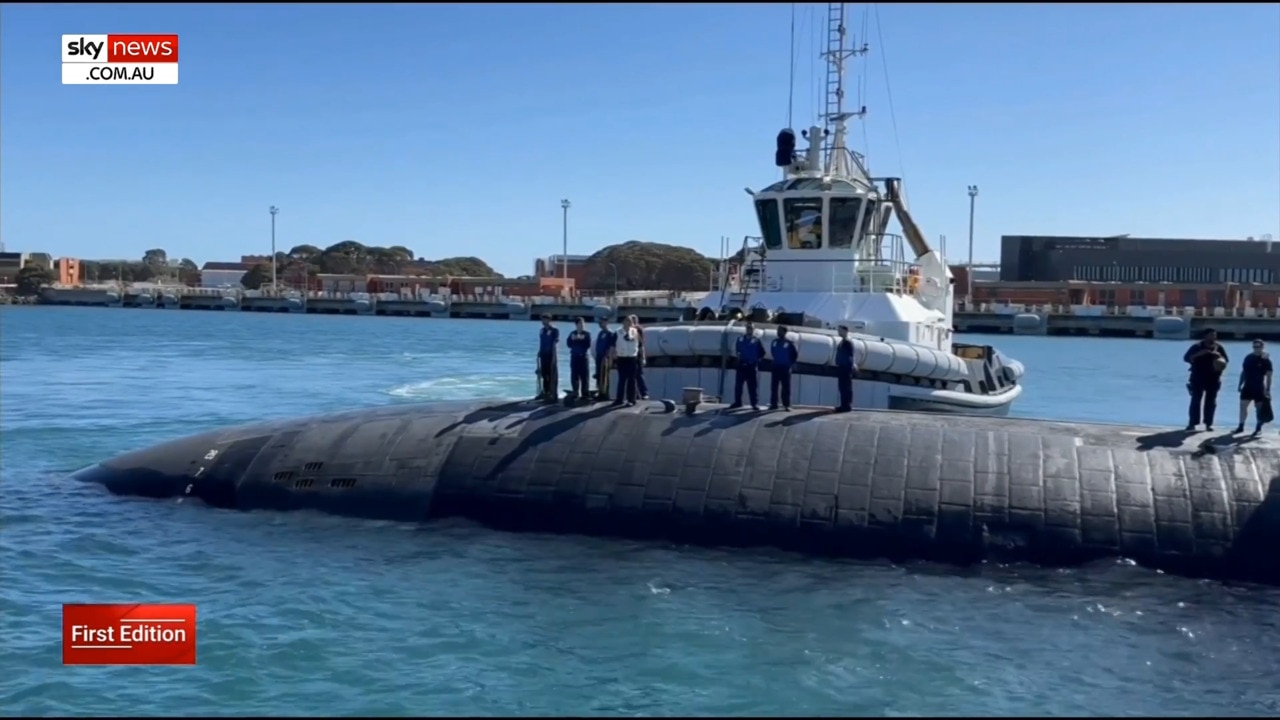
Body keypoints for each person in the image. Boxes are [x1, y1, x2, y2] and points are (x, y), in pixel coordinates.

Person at [1183, 328, 1228, 431]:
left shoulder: (1219, 347)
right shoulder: (1197, 347)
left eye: (1215, 335)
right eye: (1212, 335)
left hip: (1213, 379)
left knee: (1211, 402)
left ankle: (1208, 424)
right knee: (1195, 400)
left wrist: (1219, 357)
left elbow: (1226, 361)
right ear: (1206, 336)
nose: (1214, 337)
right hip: (1197, 378)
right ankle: (1192, 423)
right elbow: (1186, 358)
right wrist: (1200, 354)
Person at [1234, 339, 1273, 436]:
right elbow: (1244, 372)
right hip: (1247, 386)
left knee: (1259, 408)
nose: (1256, 348)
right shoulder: (1248, 358)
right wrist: (1240, 384)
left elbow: (1269, 375)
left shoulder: (1266, 360)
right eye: (1255, 346)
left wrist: (1268, 389)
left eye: (1258, 346)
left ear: (1262, 347)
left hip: (1259, 387)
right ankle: (1241, 426)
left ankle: (1258, 428)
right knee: (1243, 406)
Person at [729, 321, 765, 410]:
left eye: (751, 328)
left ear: (753, 330)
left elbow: (762, 352)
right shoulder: (740, 339)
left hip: (751, 366)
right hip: (741, 365)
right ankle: (738, 402)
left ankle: (754, 404)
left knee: (752, 386)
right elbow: (737, 349)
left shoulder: (756, 340)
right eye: (748, 328)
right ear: (746, 329)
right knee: (738, 385)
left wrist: (756, 361)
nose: (749, 330)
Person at [612, 316, 641, 406]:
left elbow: (639, 344)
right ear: (623, 322)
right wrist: (613, 357)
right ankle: (619, 399)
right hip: (622, 358)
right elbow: (613, 345)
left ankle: (631, 400)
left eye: (630, 321)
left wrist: (641, 357)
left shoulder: (635, 332)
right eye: (627, 321)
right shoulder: (617, 332)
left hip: (632, 358)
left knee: (631, 380)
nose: (628, 322)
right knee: (622, 379)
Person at [769, 325, 799, 411]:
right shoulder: (774, 342)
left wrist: (790, 363)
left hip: (785, 368)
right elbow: (773, 351)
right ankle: (773, 404)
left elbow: (795, 354)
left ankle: (786, 405)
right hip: (776, 367)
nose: (778, 332)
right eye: (777, 330)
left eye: (779, 330)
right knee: (774, 387)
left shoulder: (789, 343)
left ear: (784, 332)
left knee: (786, 387)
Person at [566, 317, 592, 402]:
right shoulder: (572, 333)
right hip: (574, 357)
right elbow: (569, 344)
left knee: (585, 376)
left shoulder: (587, 334)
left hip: (583, 357)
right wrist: (573, 339)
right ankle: (575, 392)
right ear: (576, 325)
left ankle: (585, 393)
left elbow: (588, 344)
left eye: (583, 323)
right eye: (580, 324)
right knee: (574, 376)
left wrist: (580, 339)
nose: (582, 325)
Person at [834, 325, 857, 412]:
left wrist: (849, 366)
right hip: (842, 367)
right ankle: (843, 404)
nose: (838, 332)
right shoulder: (843, 341)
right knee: (842, 387)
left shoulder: (848, 342)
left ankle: (846, 405)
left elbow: (850, 356)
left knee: (846, 387)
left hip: (846, 368)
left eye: (840, 330)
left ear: (845, 331)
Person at [536, 314, 560, 401]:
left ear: (549, 320)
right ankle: (545, 392)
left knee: (551, 374)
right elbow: (542, 342)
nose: (543, 321)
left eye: (544, 319)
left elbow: (556, 341)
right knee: (544, 374)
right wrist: (540, 351)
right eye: (542, 320)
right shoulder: (542, 330)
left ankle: (552, 393)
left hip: (551, 355)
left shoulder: (554, 330)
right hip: (543, 354)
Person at [593, 319, 617, 401]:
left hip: (605, 357)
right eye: (600, 323)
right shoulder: (601, 333)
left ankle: (605, 393)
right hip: (599, 356)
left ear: (606, 323)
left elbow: (611, 347)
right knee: (599, 375)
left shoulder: (610, 333)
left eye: (602, 322)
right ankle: (600, 392)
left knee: (604, 375)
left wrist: (609, 358)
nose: (600, 324)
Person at [629, 314, 650, 400]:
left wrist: (643, 357)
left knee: (638, 375)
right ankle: (635, 394)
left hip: (637, 355)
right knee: (632, 376)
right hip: (630, 355)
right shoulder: (629, 330)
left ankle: (644, 393)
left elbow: (640, 345)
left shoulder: (638, 330)